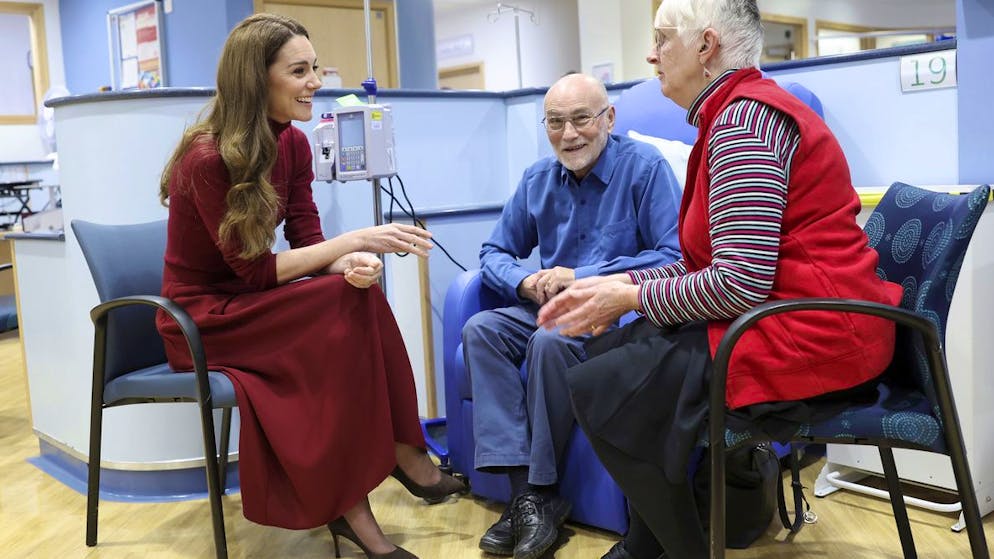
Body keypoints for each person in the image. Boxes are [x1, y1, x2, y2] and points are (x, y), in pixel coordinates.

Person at [536, 2, 903, 558]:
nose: (651, 55)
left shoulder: (744, 122)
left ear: (705, 47)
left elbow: (738, 283)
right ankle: (653, 541)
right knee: (618, 358)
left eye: (662, 39)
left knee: (609, 383)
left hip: (818, 331)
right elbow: (711, 262)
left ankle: (666, 546)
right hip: (793, 315)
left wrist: (631, 294)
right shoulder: (729, 115)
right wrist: (621, 293)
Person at [155, 14, 463, 559]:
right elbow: (253, 271)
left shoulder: (293, 144)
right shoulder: (206, 159)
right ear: (257, 79)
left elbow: (307, 238)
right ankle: (373, 486)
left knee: (352, 292)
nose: (316, 81)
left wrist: (350, 265)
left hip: (252, 301)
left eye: (314, 67)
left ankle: (393, 458)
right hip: (202, 318)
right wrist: (354, 242)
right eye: (299, 71)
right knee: (336, 308)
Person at [462, 73, 683, 559]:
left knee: (550, 339)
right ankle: (527, 497)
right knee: (481, 329)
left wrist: (581, 275)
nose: (569, 134)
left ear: (609, 118)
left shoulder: (644, 169)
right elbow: (494, 250)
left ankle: (540, 490)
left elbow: (673, 257)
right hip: (547, 307)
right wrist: (523, 282)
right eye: (556, 122)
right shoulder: (537, 178)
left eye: (581, 119)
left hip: (617, 312)